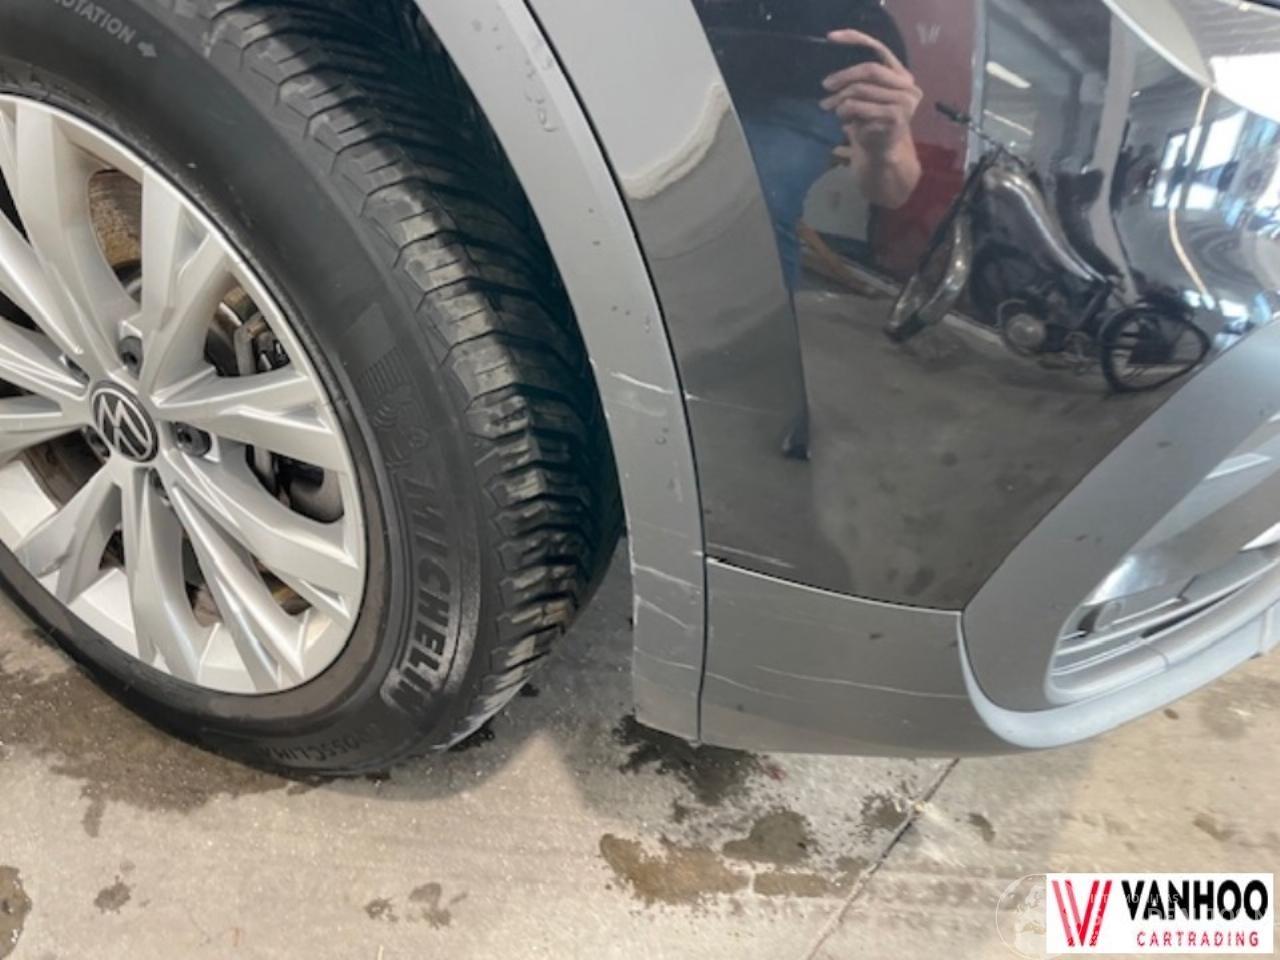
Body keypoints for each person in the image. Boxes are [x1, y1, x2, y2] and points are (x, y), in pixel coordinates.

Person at [699, 0, 923, 289]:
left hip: (799, 98)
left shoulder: (857, 22)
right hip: (692, 83)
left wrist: (884, 145)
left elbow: (892, 191)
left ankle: (759, 314)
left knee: (758, 201)